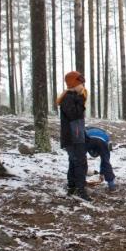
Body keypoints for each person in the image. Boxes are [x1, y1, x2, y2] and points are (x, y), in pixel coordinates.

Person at [57, 71, 91, 201]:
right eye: (81, 83)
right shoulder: (68, 98)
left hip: (77, 135)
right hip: (72, 137)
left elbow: (79, 119)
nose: (83, 85)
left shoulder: (73, 97)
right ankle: (80, 190)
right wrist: (81, 99)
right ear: (74, 83)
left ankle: (72, 186)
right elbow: (74, 114)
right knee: (80, 163)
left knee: (74, 161)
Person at [85, 127, 116, 192]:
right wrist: (102, 173)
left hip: (88, 140)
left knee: (81, 159)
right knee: (106, 162)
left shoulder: (87, 130)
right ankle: (111, 185)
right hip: (101, 141)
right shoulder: (105, 134)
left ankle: (80, 183)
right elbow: (104, 160)